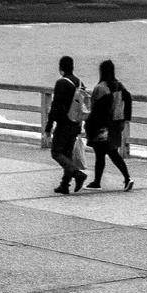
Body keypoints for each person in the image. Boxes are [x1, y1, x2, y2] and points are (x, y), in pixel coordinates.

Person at [85, 59, 134, 191]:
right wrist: (126, 118)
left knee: (100, 154)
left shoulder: (100, 88)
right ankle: (126, 178)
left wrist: (89, 125)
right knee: (112, 152)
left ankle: (97, 182)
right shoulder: (119, 85)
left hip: (102, 126)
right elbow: (128, 98)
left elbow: (96, 111)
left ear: (101, 71)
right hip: (116, 124)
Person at [44, 55, 88, 194]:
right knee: (67, 154)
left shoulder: (62, 83)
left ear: (60, 68)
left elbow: (55, 105)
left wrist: (48, 127)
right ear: (72, 67)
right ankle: (64, 185)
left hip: (64, 124)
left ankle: (77, 174)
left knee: (56, 152)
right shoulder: (80, 83)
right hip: (76, 123)